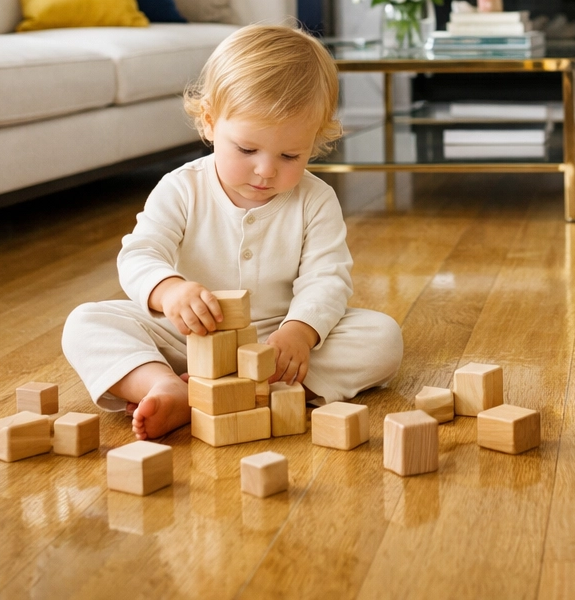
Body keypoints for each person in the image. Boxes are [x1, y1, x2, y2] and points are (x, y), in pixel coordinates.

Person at [62, 24, 403, 439]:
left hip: (275, 341)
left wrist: (300, 331)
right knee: (86, 322)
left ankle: (251, 389)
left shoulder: (316, 200)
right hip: (185, 336)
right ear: (208, 122)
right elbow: (139, 254)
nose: (266, 170)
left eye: (290, 155)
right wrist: (169, 290)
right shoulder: (182, 188)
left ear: (315, 141)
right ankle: (162, 385)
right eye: (247, 149)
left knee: (383, 337)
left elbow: (326, 279)